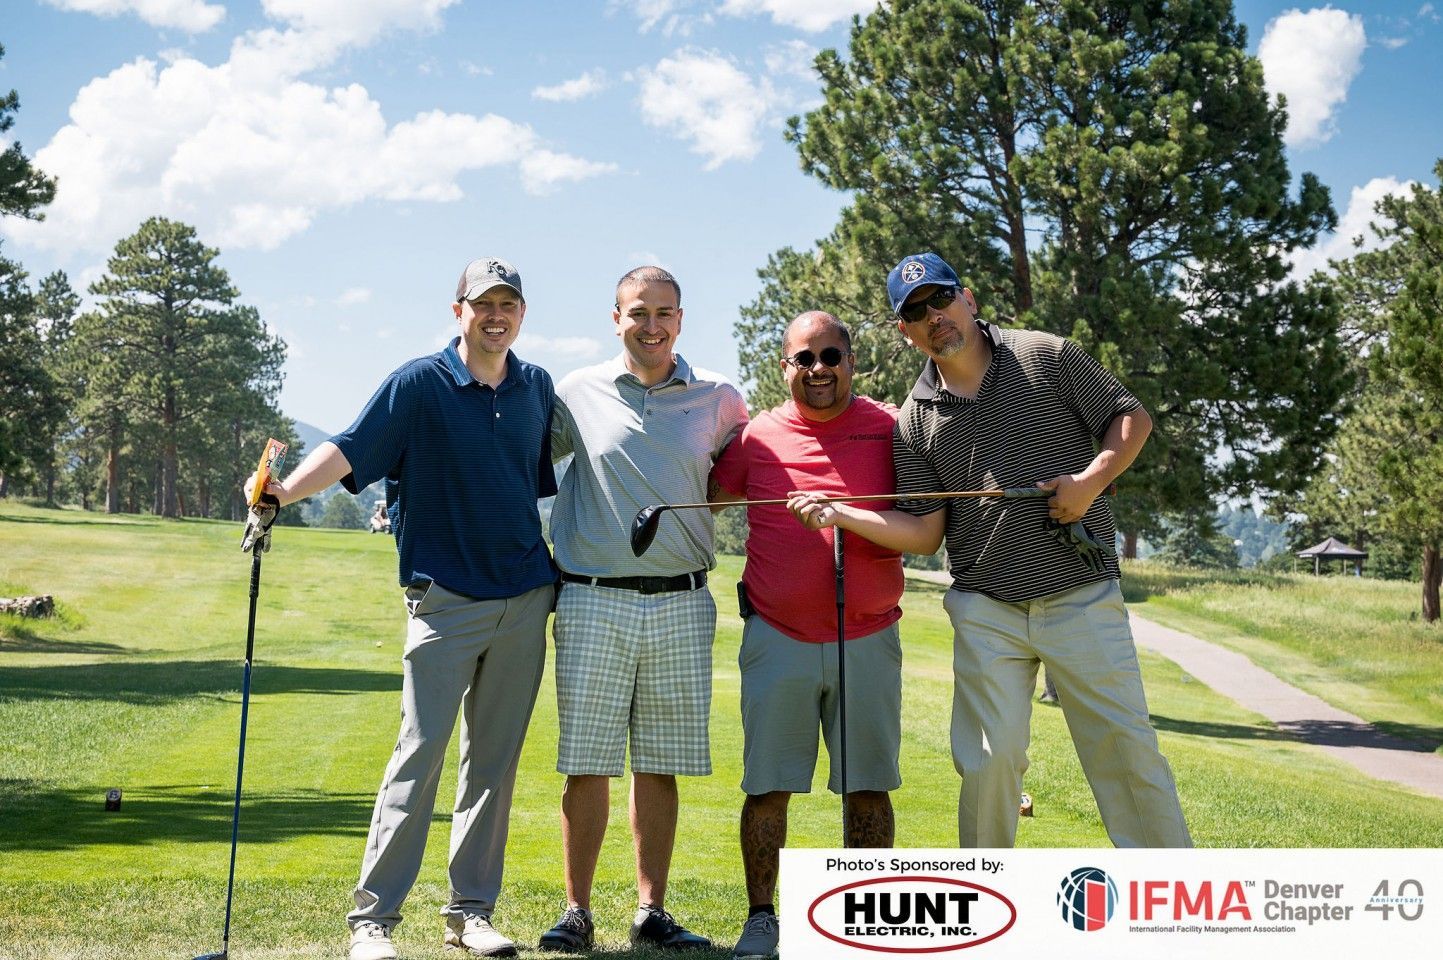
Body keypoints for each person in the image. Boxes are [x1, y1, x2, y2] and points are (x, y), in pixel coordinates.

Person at [790, 252, 1191, 849]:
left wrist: (1089, 483)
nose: (935, 317)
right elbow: (926, 532)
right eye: (916, 313)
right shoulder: (914, 419)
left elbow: (1131, 419)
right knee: (987, 763)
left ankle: (1177, 918)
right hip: (987, 609)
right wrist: (843, 515)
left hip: (1081, 594)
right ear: (905, 332)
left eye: (941, 300)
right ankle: (985, 916)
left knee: (1126, 753)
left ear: (968, 298)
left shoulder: (1044, 354)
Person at [246, 258, 557, 959]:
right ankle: (373, 923)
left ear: (522, 312)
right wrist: (281, 493)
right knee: (417, 760)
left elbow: (532, 482)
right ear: (458, 311)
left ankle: (470, 913)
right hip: (444, 600)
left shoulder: (535, 386)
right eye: (484, 304)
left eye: (509, 303)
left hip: (523, 596)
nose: (497, 315)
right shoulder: (417, 384)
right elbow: (351, 449)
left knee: (493, 769)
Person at [540, 266, 748, 953]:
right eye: (637, 313)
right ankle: (576, 911)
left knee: (659, 763)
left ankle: (650, 910)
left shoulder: (719, 399)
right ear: (615, 318)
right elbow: (526, 466)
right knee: (588, 762)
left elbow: (736, 477)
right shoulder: (575, 393)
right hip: (593, 596)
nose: (650, 326)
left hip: (682, 601)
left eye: (663, 313)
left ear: (681, 320)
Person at [710, 311, 904, 960]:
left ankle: (865, 921)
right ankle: (762, 918)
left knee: (867, 785)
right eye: (803, 358)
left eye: (830, 356)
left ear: (851, 362)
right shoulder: (756, 437)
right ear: (784, 367)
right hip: (778, 635)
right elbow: (710, 497)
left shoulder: (889, 430)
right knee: (767, 784)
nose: (817, 369)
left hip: (869, 635)